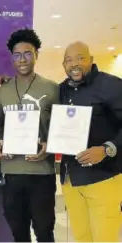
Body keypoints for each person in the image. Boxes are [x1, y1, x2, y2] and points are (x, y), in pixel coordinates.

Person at [0, 28, 59, 242]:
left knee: (44, 232)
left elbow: (60, 128)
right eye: (17, 54)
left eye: (28, 53)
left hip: (42, 172)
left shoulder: (52, 89)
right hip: (12, 173)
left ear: (37, 54)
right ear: (12, 58)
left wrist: (48, 146)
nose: (22, 59)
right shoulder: (2, 90)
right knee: (18, 232)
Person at [60, 41, 122, 242]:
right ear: (64, 65)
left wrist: (107, 149)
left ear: (91, 60)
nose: (74, 64)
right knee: (82, 237)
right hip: (71, 180)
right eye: (69, 60)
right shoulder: (62, 90)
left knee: (104, 238)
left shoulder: (112, 85)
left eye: (80, 58)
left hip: (103, 178)